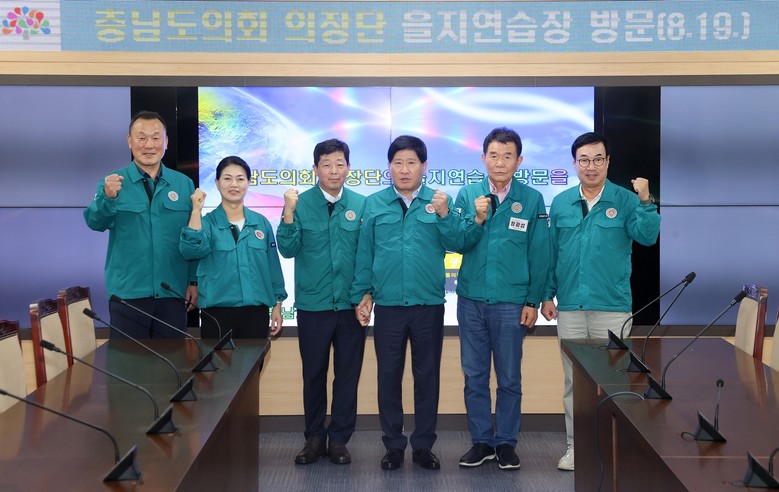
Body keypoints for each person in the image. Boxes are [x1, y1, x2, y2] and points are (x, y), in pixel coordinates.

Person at [541, 131, 661, 471]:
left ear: (608, 162)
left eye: (598, 159)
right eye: (584, 160)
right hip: (570, 308)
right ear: (574, 163)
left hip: (613, 308)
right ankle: (575, 448)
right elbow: (553, 253)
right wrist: (546, 295)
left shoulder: (625, 200)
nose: (591, 166)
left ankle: (613, 446)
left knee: (615, 381)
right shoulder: (562, 202)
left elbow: (647, 237)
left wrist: (646, 201)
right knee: (574, 383)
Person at [351, 135, 460, 471]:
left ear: (424, 166)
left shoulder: (439, 201)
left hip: (428, 305)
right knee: (388, 378)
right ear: (389, 167)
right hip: (389, 306)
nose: (404, 169)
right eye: (397, 163)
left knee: (427, 378)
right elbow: (365, 253)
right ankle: (394, 445)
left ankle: (424, 446)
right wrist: (362, 294)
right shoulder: (374, 204)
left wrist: (445, 215)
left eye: (411, 162)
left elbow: (459, 241)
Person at [450, 128, 550, 470]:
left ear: (519, 161)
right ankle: (481, 442)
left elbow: (539, 253)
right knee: (474, 376)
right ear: (483, 158)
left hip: (512, 302)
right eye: (493, 155)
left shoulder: (531, 199)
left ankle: (506, 442)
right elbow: (457, 242)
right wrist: (477, 218)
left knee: (509, 378)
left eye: (508, 156)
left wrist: (533, 300)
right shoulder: (468, 194)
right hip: (471, 301)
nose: (500, 162)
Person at [276, 139, 367, 466]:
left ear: (348, 168)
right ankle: (314, 437)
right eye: (326, 164)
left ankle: (339, 439)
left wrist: (366, 295)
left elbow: (367, 256)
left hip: (350, 307)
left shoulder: (362, 204)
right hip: (313, 307)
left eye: (340, 163)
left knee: (347, 376)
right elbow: (287, 249)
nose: (333, 170)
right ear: (315, 168)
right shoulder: (299, 204)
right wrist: (288, 212)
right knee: (313, 374)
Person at [84, 110, 197, 339]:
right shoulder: (112, 182)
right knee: (128, 360)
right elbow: (95, 222)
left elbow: (192, 238)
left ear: (166, 142)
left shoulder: (183, 184)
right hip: (128, 294)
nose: (149, 145)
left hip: (172, 292)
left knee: (172, 360)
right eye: (141, 137)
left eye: (156, 138)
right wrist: (108, 197)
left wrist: (193, 280)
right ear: (129, 141)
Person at [179, 156, 286, 339]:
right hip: (217, 314)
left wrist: (278, 304)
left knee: (254, 359)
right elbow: (190, 251)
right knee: (217, 359)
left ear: (248, 183)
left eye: (240, 179)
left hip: (256, 313)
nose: (234, 184)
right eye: (227, 178)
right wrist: (196, 211)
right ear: (217, 183)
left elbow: (272, 266)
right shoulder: (206, 223)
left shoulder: (261, 223)